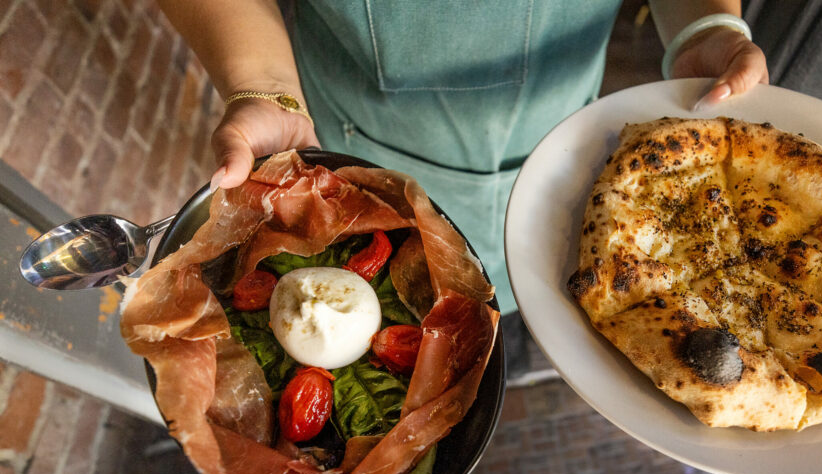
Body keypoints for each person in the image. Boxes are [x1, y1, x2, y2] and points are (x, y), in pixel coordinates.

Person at [156, 1, 768, 379]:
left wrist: (701, 25)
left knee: (535, 299)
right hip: (361, 140)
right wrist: (262, 89)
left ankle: (507, 332)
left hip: (560, 149)